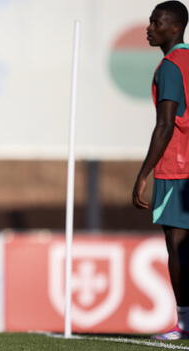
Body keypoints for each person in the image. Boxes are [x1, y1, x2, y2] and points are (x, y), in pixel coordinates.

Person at [133, 0, 189, 340]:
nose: (149, 27)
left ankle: (183, 322)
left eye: (156, 21)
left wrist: (144, 173)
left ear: (174, 27)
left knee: (178, 247)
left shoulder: (170, 65)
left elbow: (166, 124)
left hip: (177, 168)